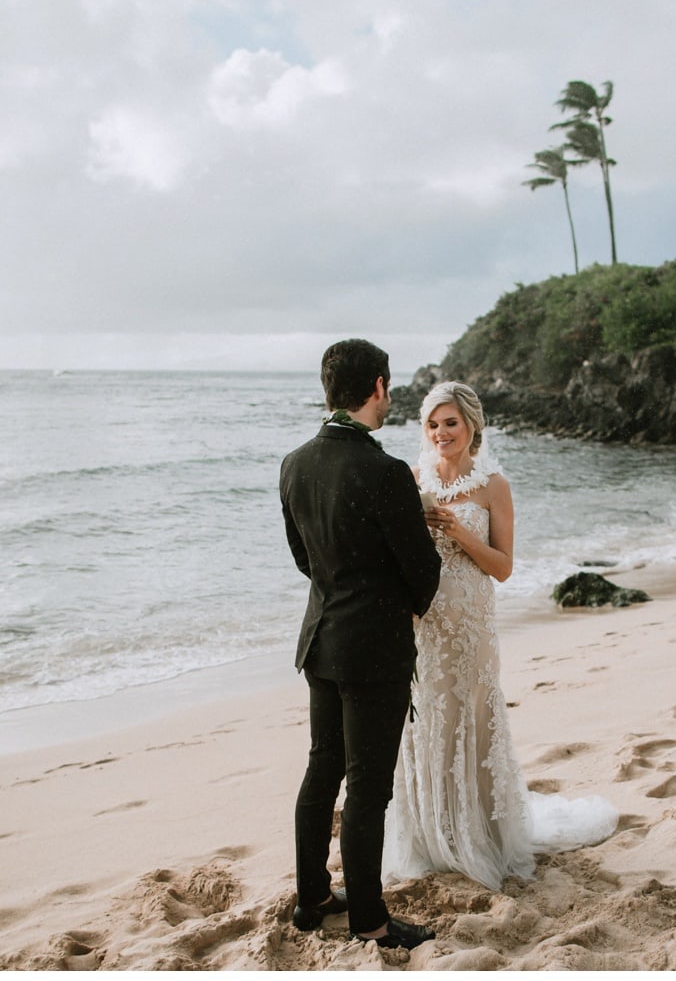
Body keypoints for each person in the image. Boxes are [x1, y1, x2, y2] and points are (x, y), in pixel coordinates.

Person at [382, 381, 618, 891]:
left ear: (471, 427)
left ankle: (479, 835)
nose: (441, 433)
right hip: (424, 624)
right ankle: (430, 836)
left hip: (470, 626)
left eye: (451, 423)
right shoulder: (413, 478)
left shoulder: (494, 485)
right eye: (433, 424)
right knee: (425, 726)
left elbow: (504, 568)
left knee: (469, 720)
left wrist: (459, 531)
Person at [280, 339, 444, 950]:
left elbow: (305, 560)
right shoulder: (384, 471)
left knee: (322, 770)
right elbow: (422, 571)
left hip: (320, 641)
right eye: (389, 386)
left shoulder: (294, 463)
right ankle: (371, 919)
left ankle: (312, 897)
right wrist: (394, 604)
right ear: (377, 386)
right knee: (368, 786)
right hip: (372, 648)